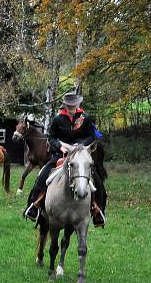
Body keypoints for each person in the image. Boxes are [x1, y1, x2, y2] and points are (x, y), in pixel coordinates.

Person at [23, 91, 107, 227]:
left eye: (73, 105)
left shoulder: (85, 118)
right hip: (62, 153)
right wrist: (59, 146)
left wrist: (82, 145)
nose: (71, 108)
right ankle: (33, 206)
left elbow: (92, 136)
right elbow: (51, 137)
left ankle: (99, 212)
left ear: (77, 104)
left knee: (98, 181)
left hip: (81, 153)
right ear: (65, 106)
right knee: (43, 175)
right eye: (69, 106)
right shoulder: (58, 119)